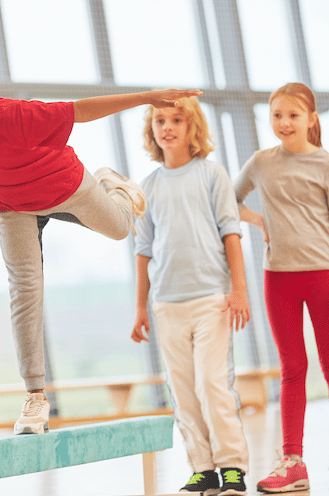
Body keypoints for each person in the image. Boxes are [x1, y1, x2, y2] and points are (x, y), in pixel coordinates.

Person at [0, 48, 201, 435]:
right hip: (11, 204)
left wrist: (146, 97)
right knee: (25, 288)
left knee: (120, 228)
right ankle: (35, 397)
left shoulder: (13, 117)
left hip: (60, 184)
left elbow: (80, 110)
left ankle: (115, 186)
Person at [233, 83, 329, 492]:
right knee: (292, 370)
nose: (284, 123)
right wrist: (257, 220)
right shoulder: (261, 162)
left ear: (311, 119)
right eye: (277, 116)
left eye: (293, 115)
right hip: (278, 279)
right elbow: (228, 201)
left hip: (324, 279)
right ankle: (293, 462)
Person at [131, 95, 250, 496]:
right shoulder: (146, 188)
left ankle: (231, 466)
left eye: (176, 120)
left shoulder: (212, 174)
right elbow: (143, 251)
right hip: (167, 304)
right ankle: (203, 469)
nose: (167, 127)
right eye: (160, 120)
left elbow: (230, 233)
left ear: (191, 126)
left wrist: (239, 291)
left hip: (212, 299)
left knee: (213, 384)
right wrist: (140, 308)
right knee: (182, 389)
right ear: (153, 130)